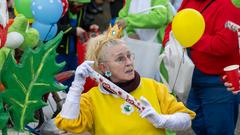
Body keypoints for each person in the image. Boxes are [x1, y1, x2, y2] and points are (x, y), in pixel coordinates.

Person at [54, 25, 196, 135]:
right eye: (120, 59)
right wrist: (77, 85)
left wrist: (162, 120)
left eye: (129, 56)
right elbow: (67, 123)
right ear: (103, 68)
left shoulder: (153, 87)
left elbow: (186, 120)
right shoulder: (92, 99)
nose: (129, 62)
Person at [163, 0, 240, 134]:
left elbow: (225, 44)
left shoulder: (228, 4)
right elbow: (173, 26)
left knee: (219, 131)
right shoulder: (189, 1)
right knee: (198, 126)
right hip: (191, 79)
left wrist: (189, 38)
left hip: (218, 82)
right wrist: (169, 43)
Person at [56, 0, 98, 92]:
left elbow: (81, 24)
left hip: (72, 52)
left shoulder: (80, 10)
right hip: (60, 52)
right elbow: (57, 28)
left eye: (82, 5)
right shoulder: (60, 9)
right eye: (78, 4)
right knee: (61, 79)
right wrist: (74, 30)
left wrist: (89, 26)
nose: (80, 7)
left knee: (74, 76)